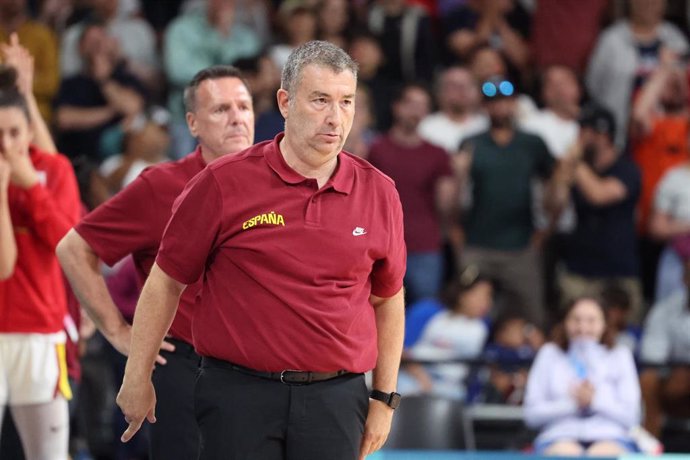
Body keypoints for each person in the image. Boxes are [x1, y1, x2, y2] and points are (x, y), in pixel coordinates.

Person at [116, 41, 406, 460]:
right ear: (285, 102)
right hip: (238, 394)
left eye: (346, 102)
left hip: (337, 398)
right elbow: (165, 283)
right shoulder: (222, 183)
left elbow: (388, 298)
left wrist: (383, 397)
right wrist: (137, 376)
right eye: (320, 100)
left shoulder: (380, 192)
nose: (335, 117)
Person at [56, 65, 255, 460]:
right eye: (220, 109)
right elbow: (73, 249)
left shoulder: (278, 182)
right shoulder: (161, 186)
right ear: (193, 124)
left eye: (244, 106)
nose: (236, 117)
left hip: (260, 370)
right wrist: (116, 330)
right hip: (185, 369)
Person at [0, 67, 81, 460]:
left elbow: (67, 244)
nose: (5, 145)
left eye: (14, 133)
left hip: (38, 332)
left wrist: (29, 186)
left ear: (30, 132)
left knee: (48, 455)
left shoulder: (54, 170)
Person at [458, 76, 570, 327]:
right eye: (493, 102)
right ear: (484, 107)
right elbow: (456, 197)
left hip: (521, 245)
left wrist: (547, 230)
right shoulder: (472, 143)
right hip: (478, 243)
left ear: (515, 103)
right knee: (465, 311)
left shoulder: (532, 143)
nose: (499, 107)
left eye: (505, 101)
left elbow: (556, 189)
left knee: (533, 314)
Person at [368, 82, 457, 304]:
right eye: (411, 104)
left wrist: (459, 177)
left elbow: (445, 205)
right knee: (378, 310)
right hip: (382, 244)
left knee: (425, 311)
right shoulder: (376, 149)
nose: (417, 111)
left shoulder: (438, 153)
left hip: (424, 244)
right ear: (396, 107)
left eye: (423, 106)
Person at [524, 296, 641, 456]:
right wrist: (573, 404)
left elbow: (633, 416)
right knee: (565, 453)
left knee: (602, 454)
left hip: (611, 436)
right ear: (565, 322)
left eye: (591, 320)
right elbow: (531, 415)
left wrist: (595, 401)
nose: (583, 327)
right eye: (576, 319)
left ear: (604, 324)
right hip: (558, 436)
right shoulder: (549, 353)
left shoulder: (620, 355)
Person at [559, 104, 643, 320]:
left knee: (624, 333)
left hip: (618, 269)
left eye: (588, 132)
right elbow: (553, 203)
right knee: (575, 330)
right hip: (580, 268)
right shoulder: (577, 167)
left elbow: (599, 195)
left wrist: (575, 163)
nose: (582, 138)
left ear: (605, 136)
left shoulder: (627, 168)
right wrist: (562, 171)